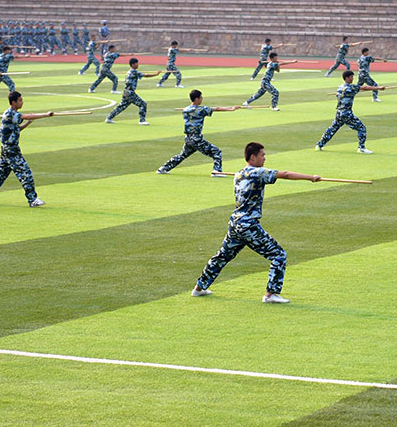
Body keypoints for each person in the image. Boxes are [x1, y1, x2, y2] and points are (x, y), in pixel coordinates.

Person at [191, 141, 321, 303]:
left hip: (235, 224)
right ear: (253, 157)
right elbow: (285, 174)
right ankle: (271, 294)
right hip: (249, 226)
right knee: (279, 255)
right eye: (262, 155)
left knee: (222, 257)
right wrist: (311, 178)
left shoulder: (239, 174)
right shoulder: (258, 173)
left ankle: (199, 287)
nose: (265, 158)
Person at [0, 91, 56, 207]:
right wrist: (46, 114)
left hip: (7, 149)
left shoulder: (12, 114)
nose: (22, 102)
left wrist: (28, 123)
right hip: (11, 150)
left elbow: (17, 129)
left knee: (1, 174)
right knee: (26, 173)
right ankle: (32, 200)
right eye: (20, 100)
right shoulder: (10, 114)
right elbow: (27, 116)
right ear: (13, 102)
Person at [158, 90, 240, 176]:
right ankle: (217, 171)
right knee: (216, 152)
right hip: (196, 138)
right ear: (196, 99)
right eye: (201, 97)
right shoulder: (201, 110)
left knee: (182, 155)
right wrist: (232, 108)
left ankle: (163, 168)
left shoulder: (185, 110)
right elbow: (217, 108)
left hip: (188, 138)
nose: (202, 99)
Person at [315, 70, 383, 154]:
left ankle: (319, 145)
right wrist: (378, 88)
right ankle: (361, 148)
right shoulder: (350, 87)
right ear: (346, 78)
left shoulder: (340, 87)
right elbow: (364, 88)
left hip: (339, 113)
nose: (352, 79)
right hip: (346, 113)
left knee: (332, 129)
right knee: (361, 128)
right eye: (351, 77)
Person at [105, 58, 161, 125]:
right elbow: (146, 75)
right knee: (143, 104)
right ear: (133, 64)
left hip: (126, 92)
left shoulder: (129, 71)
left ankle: (109, 118)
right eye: (137, 63)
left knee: (121, 106)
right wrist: (156, 74)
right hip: (130, 92)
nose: (138, 65)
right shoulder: (134, 72)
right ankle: (142, 120)